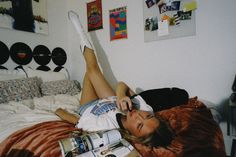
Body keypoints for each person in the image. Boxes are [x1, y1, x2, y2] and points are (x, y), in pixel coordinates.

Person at [55, 10, 189, 148]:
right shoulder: (145, 108)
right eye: (148, 116)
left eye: (139, 125)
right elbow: (122, 84)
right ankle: (79, 29)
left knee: (91, 70)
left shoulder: (106, 128)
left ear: (132, 135)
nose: (138, 115)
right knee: (93, 69)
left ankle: (80, 33)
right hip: (111, 99)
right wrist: (120, 96)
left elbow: (77, 122)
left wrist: (59, 112)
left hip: (89, 106)